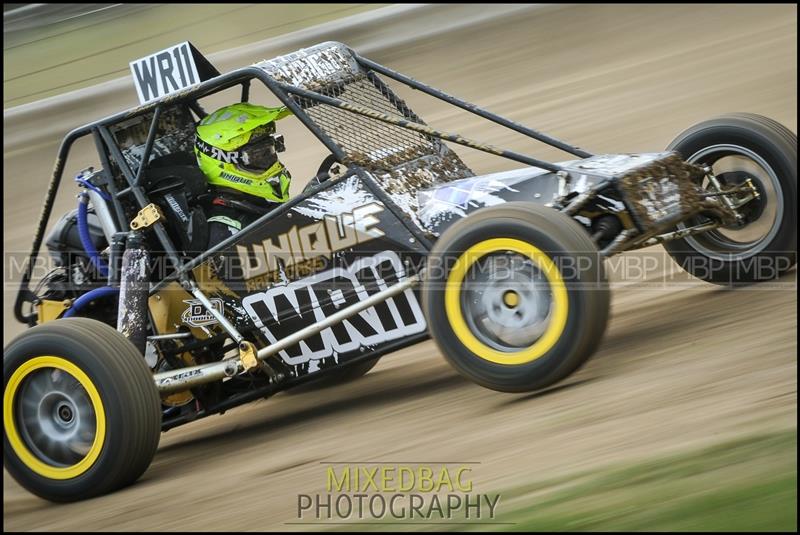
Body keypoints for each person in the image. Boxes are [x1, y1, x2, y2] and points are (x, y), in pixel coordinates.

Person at [194, 102, 293, 249]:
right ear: (225, 164)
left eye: (272, 149)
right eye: (259, 155)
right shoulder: (225, 233)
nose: (271, 162)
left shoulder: (256, 203)